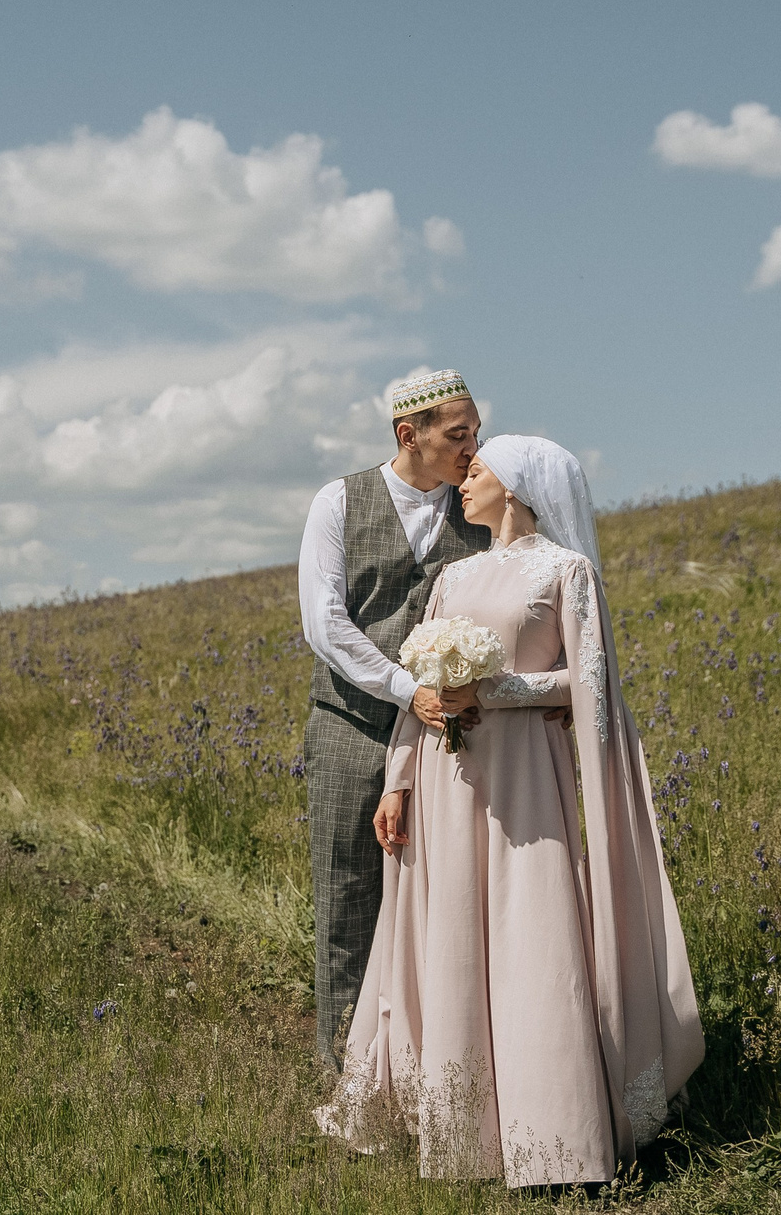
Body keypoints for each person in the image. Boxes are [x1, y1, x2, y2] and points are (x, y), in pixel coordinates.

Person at [316, 434, 706, 1187]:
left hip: (529, 779)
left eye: (481, 468)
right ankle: (462, 1139)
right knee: (454, 934)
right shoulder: (453, 577)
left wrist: (497, 692)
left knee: (534, 934)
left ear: (520, 485)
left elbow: (588, 682)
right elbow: (420, 688)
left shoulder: (568, 571)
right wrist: (398, 777)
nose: (466, 478)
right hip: (446, 777)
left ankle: (555, 1141)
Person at [298, 367, 493, 1071]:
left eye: (476, 431)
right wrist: (402, 687)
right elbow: (324, 620)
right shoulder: (339, 501)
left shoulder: (479, 508)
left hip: (448, 734)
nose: (474, 446)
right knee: (348, 896)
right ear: (409, 435)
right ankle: (343, 1070)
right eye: (458, 433)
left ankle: (430, 1074)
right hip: (350, 723)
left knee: (443, 900)